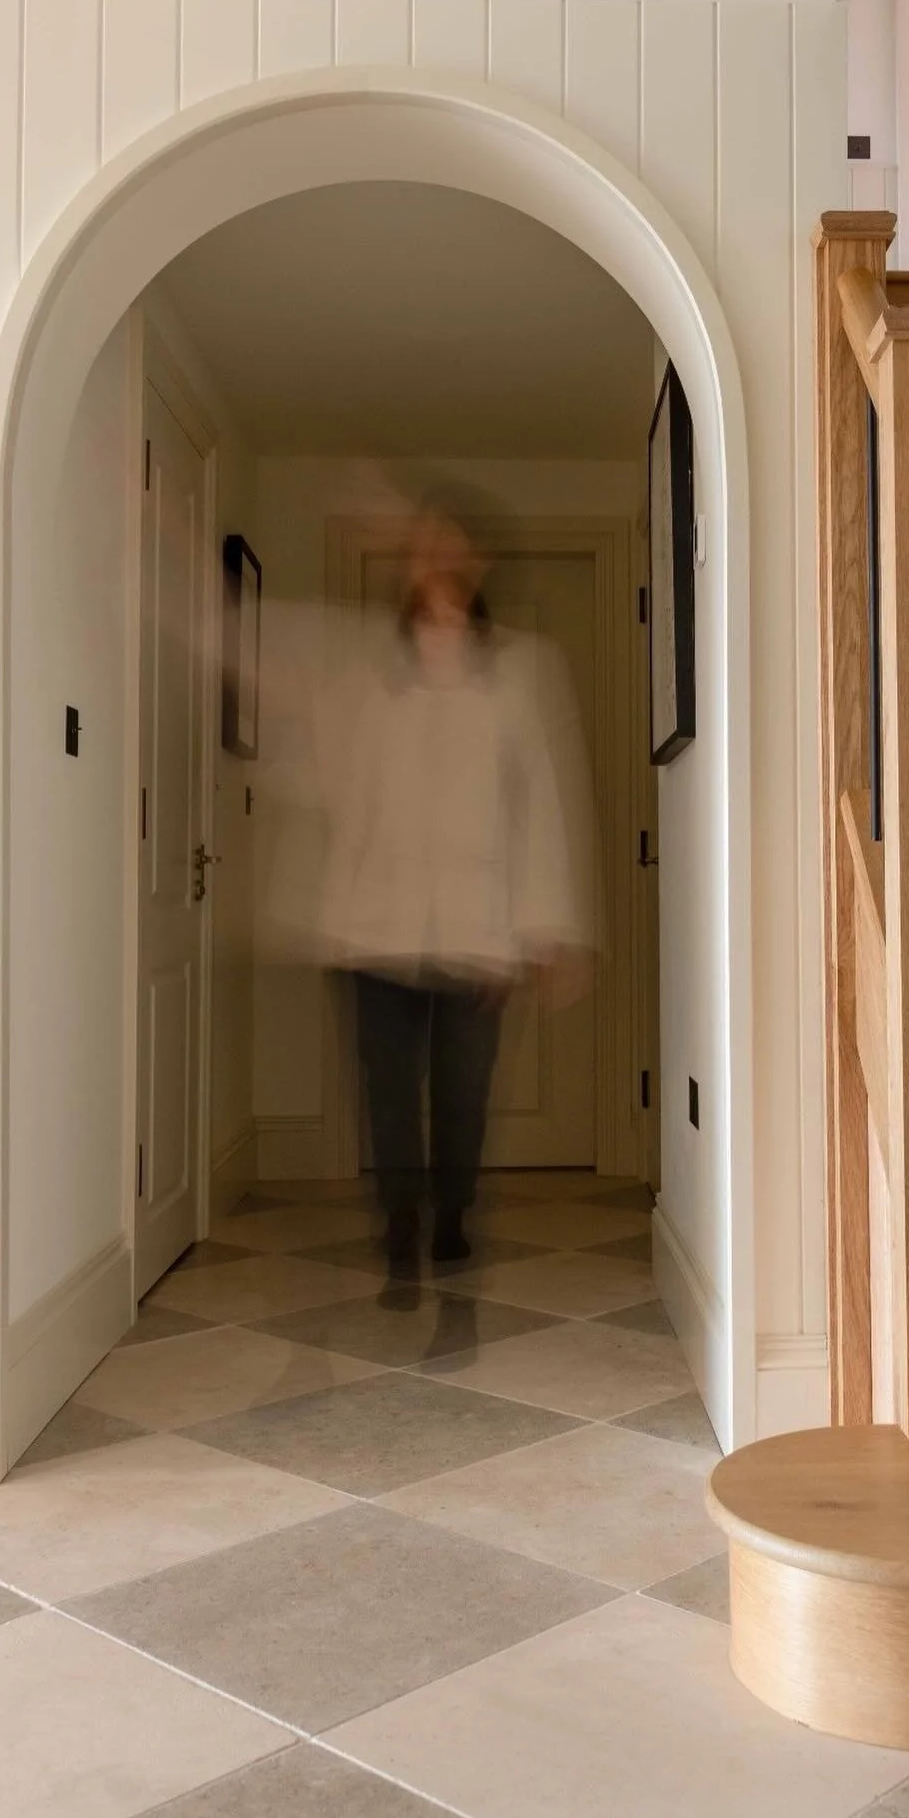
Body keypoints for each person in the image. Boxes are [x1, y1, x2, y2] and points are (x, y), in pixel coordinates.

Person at [313, 485, 593, 1266]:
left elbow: (540, 799)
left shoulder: (519, 671)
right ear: (408, 564)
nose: (436, 559)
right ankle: (400, 1217)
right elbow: (349, 801)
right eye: (423, 546)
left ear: (476, 559)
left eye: (450, 545)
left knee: (463, 1090)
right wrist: (336, 912)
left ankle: (452, 1216)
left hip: (480, 924)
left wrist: (547, 930)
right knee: (390, 1093)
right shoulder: (374, 678)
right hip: (378, 923)